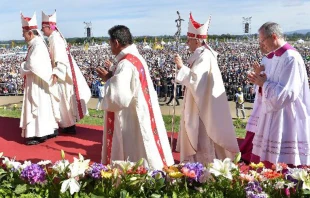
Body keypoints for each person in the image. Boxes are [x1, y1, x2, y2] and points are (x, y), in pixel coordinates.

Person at [96, 25, 174, 170]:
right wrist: (111, 75)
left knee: (137, 151)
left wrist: (108, 80)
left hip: (132, 117)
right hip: (141, 110)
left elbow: (119, 98)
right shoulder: (136, 58)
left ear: (117, 43)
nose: (110, 47)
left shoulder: (125, 64)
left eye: (110, 43)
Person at [173, 13, 239, 164]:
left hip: (202, 109)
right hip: (199, 104)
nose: (187, 43)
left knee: (202, 140)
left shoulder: (205, 56)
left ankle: (203, 171)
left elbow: (197, 81)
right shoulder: (201, 55)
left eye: (189, 40)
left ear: (197, 40)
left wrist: (181, 67)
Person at [248, 22, 310, 167]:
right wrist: (259, 79)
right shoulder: (275, 56)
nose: (262, 45)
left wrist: (264, 84)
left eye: (262, 40)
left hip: (287, 117)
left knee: (284, 162)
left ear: (274, 37)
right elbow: (270, 83)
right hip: (272, 113)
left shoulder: (291, 58)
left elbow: (288, 93)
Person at [41, 10, 91, 134]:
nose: (42, 31)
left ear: (48, 27)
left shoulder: (55, 39)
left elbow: (60, 59)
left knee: (63, 101)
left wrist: (56, 73)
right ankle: (68, 124)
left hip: (62, 75)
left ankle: (68, 125)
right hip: (63, 74)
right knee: (65, 101)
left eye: (43, 28)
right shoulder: (55, 37)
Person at [19, 12, 59, 145]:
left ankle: (39, 133)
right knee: (42, 105)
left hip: (37, 83)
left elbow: (32, 65)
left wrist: (22, 66)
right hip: (37, 81)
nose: (22, 36)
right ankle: (45, 131)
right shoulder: (37, 44)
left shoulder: (37, 45)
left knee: (38, 105)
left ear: (30, 33)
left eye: (24, 33)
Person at [240, 42, 273, 163]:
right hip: (261, 100)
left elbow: (270, 80)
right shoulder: (266, 58)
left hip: (270, 101)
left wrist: (259, 76)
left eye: (263, 43)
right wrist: (256, 74)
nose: (261, 47)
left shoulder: (277, 59)